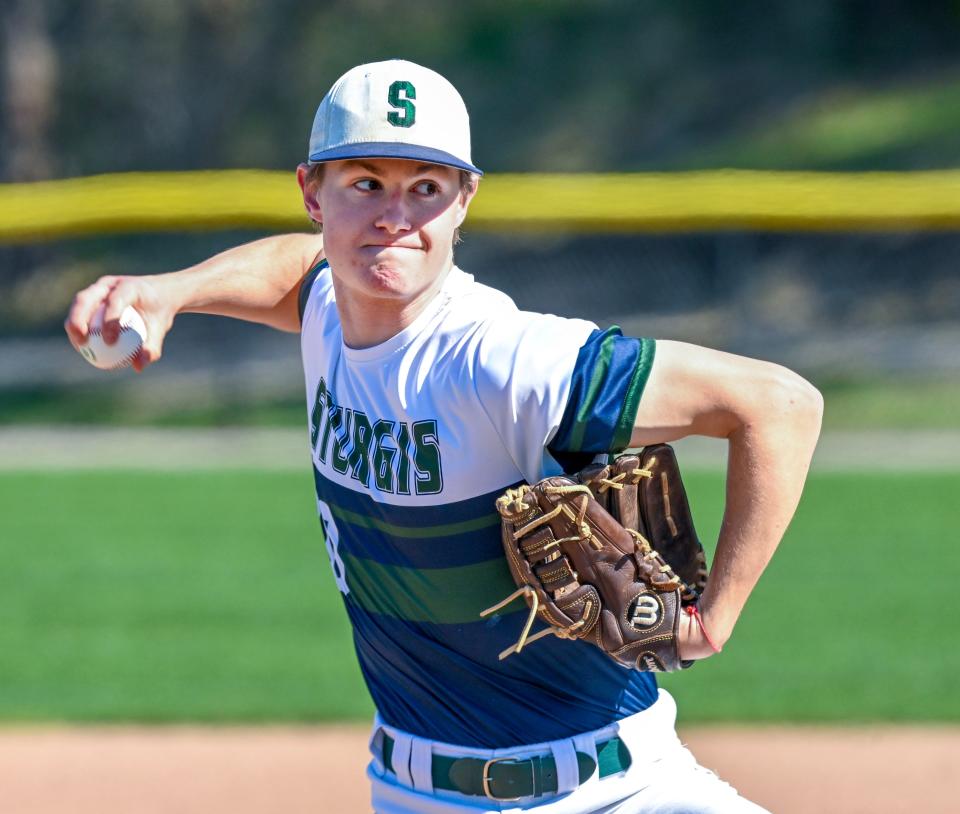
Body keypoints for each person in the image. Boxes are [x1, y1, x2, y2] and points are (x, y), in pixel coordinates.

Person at [65, 59, 822, 813]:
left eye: (425, 188)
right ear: (311, 193)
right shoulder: (332, 301)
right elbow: (298, 269)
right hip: (413, 794)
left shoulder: (505, 361)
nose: (393, 217)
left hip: (616, 790)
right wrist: (168, 292)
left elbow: (779, 405)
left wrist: (713, 620)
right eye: (365, 184)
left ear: (465, 200)